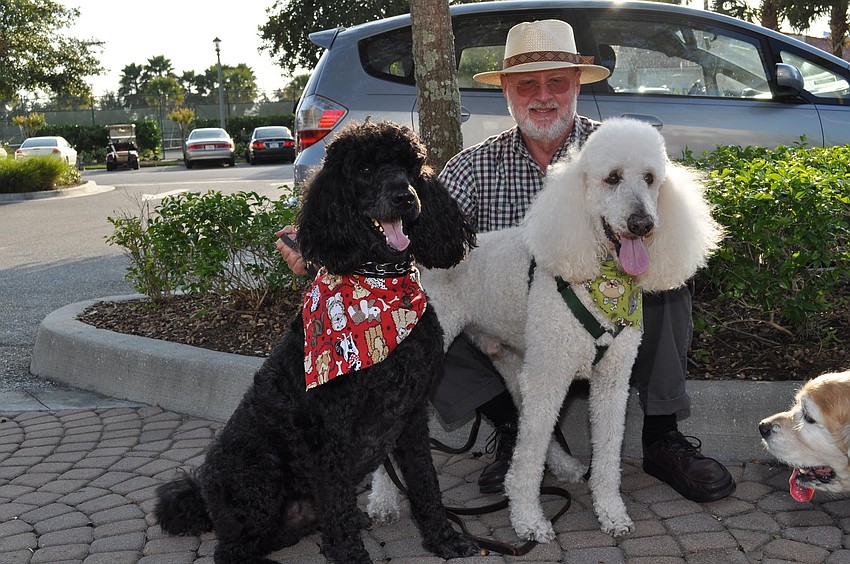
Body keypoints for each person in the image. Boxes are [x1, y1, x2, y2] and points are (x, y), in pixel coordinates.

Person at [277, 19, 735, 504]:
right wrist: (325, 251)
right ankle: (513, 427)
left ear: (576, 85)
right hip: (507, 323)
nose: (543, 96)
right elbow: (418, 244)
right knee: (418, 312)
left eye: (556, 81)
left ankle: (662, 435)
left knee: (666, 288)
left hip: (605, 325)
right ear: (508, 94)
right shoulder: (471, 168)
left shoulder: (617, 149)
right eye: (527, 85)